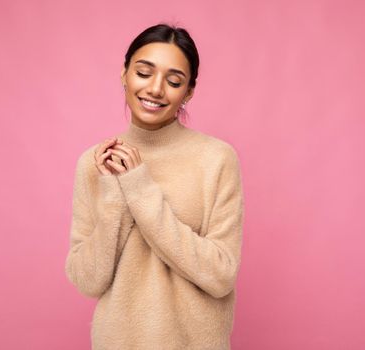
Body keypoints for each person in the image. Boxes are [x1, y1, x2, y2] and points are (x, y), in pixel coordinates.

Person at [64, 23, 245, 350]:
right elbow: (88, 279)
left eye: (174, 81)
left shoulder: (215, 159)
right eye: (144, 73)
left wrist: (139, 187)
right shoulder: (95, 163)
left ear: (188, 91)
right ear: (124, 74)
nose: (156, 89)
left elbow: (221, 275)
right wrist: (114, 198)